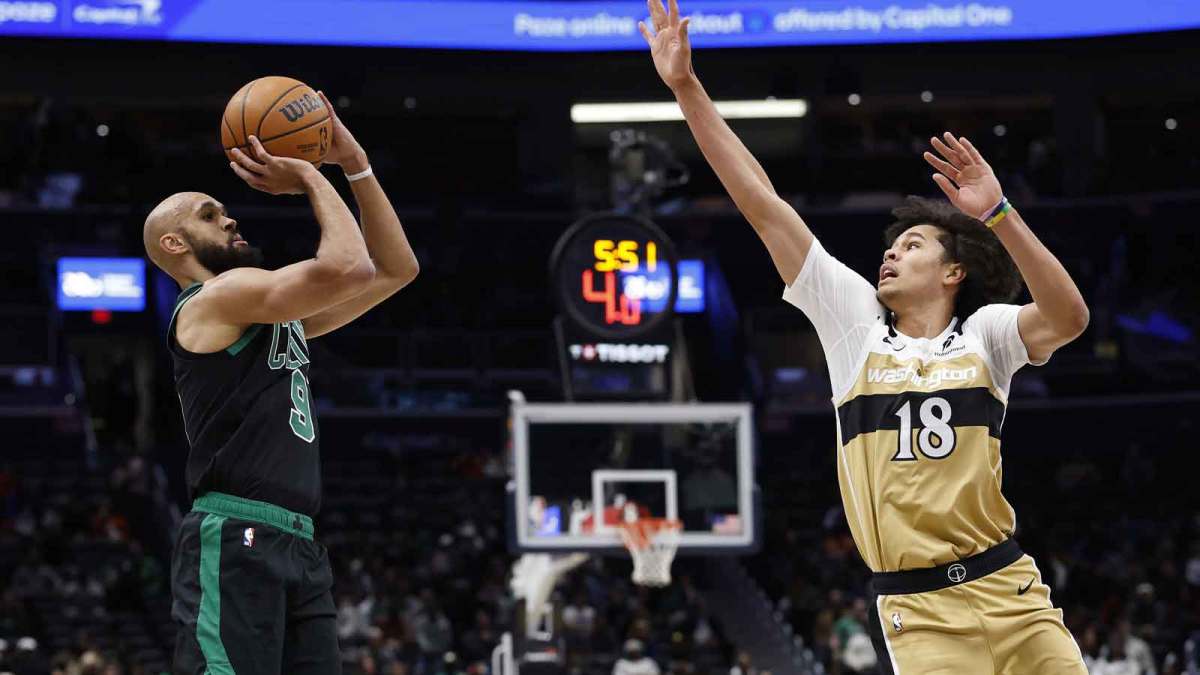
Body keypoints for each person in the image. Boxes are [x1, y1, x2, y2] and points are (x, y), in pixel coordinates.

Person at [639, 1, 1090, 672]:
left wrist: (999, 214)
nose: (891, 254)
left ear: (953, 272)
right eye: (891, 245)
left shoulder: (985, 333)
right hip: (922, 613)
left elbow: (1069, 317)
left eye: (911, 245)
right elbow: (762, 205)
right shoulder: (854, 323)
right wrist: (686, 89)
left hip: (1013, 590)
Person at [144, 92, 418, 674]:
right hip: (234, 531)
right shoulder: (215, 299)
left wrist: (357, 163)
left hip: (297, 540)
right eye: (209, 215)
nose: (230, 217)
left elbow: (396, 269)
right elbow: (350, 266)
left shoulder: (271, 314)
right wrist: (308, 175)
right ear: (176, 244)